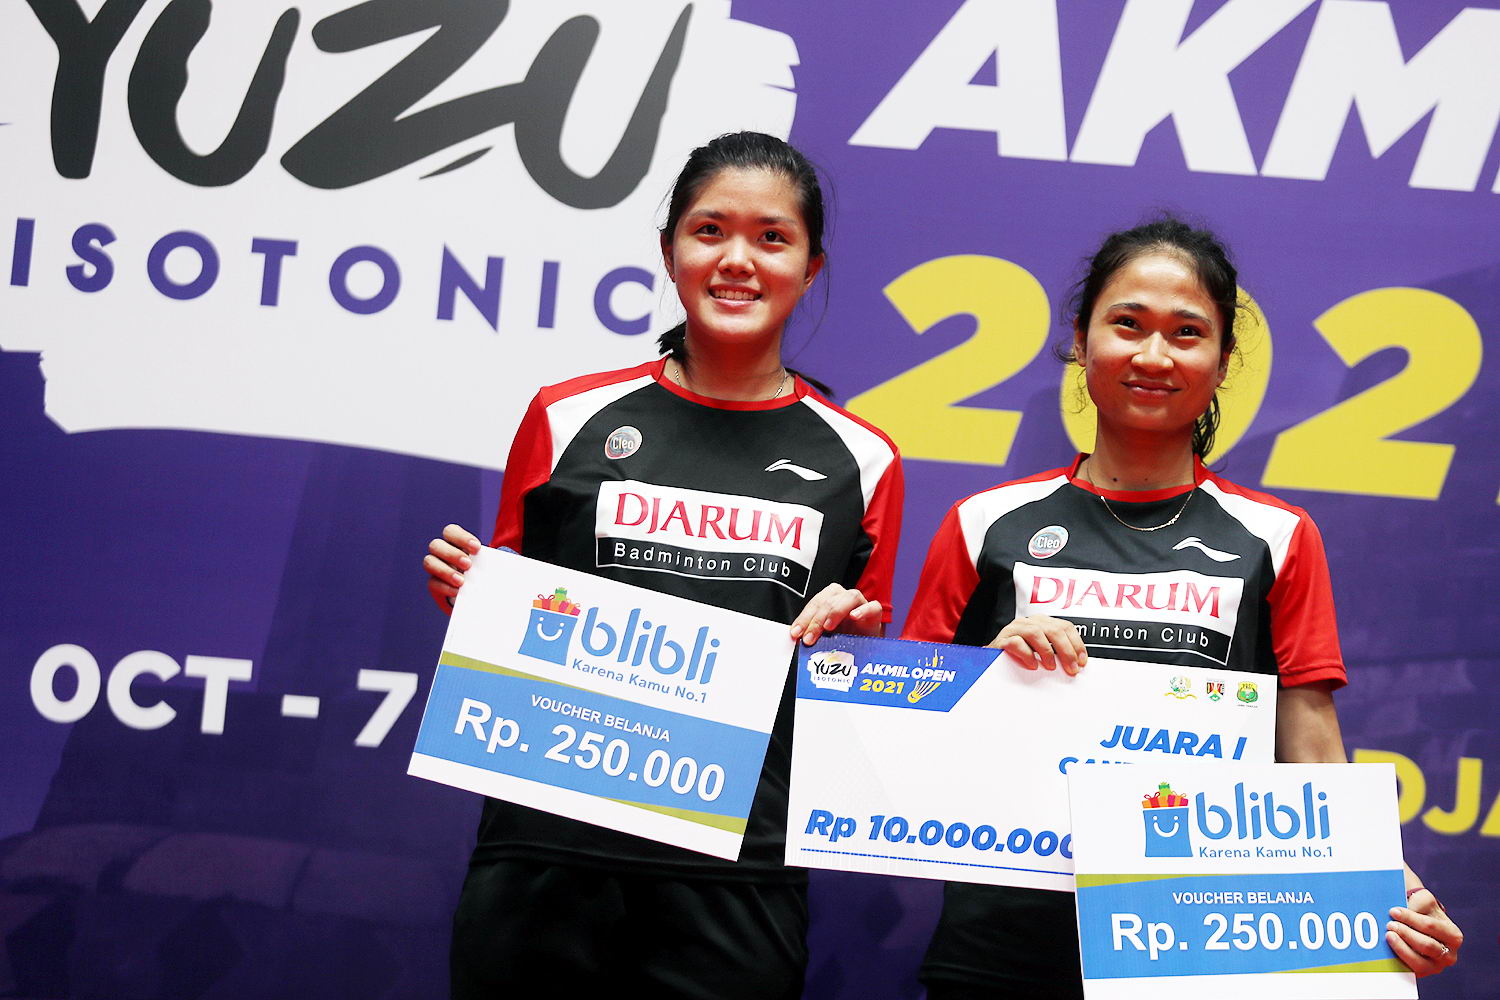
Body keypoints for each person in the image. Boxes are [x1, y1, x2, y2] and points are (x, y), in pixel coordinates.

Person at [902, 217, 1462, 998]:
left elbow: (1311, 750)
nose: (1154, 356)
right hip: (1001, 944)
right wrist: (987, 675)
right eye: (1128, 324)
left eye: (1187, 332)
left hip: (1190, 942)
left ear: (1223, 361)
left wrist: (1380, 888)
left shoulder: (1277, 537)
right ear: (1080, 339)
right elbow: (903, 735)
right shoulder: (983, 524)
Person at [422, 131, 903, 998]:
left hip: (736, 869)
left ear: (811, 269)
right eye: (709, 230)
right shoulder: (568, 416)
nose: (737, 260)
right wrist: (472, 597)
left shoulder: (861, 460)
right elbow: (511, 609)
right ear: (670, 250)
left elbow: (856, 686)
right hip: (547, 851)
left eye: (772, 238)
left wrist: (857, 649)